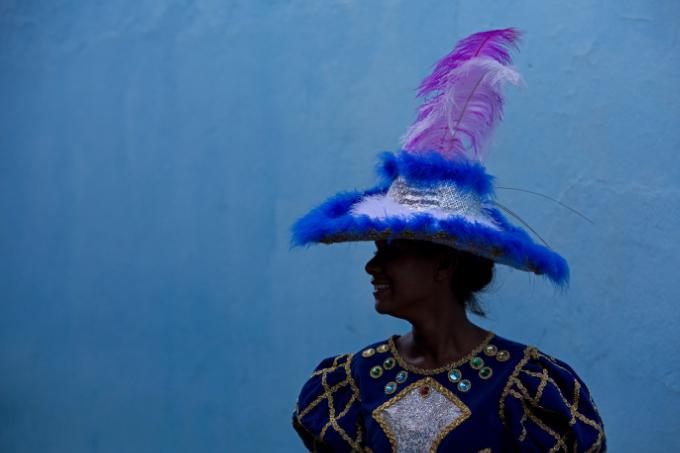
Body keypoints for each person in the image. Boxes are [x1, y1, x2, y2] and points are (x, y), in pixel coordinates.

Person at [290, 28, 605, 452]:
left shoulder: (528, 389)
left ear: (444, 263)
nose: (371, 266)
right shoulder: (351, 383)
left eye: (392, 251)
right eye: (376, 250)